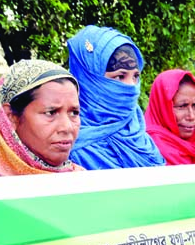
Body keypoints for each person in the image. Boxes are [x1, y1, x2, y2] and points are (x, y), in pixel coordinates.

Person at [67, 25, 164, 170]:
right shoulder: (64, 146)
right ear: (89, 80)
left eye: (136, 76)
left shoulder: (139, 137)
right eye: (120, 76)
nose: (131, 87)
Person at [0, 59, 84, 176]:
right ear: (11, 117)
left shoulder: (87, 185)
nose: (67, 127)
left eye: (74, 113)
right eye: (51, 112)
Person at [145, 69, 195, 165]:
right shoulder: (147, 150)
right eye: (182, 106)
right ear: (162, 107)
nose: (191, 116)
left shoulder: (192, 150)